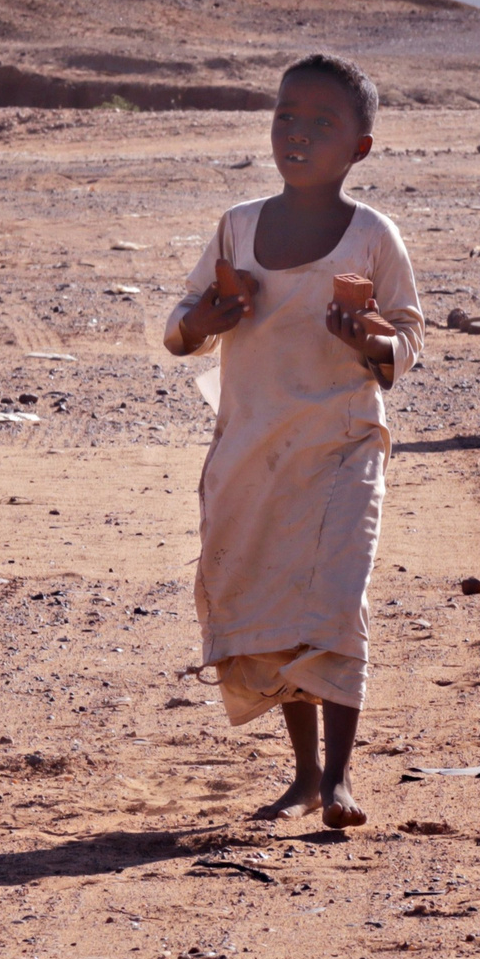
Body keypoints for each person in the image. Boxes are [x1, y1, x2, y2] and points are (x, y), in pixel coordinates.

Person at [163, 54, 421, 829]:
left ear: (360, 149)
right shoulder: (238, 227)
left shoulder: (373, 235)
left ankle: (341, 778)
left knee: (335, 601)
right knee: (274, 604)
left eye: (322, 123)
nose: (297, 134)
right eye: (286, 116)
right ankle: (304, 775)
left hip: (343, 442)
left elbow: (407, 336)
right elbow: (183, 322)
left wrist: (369, 336)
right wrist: (204, 322)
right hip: (253, 449)